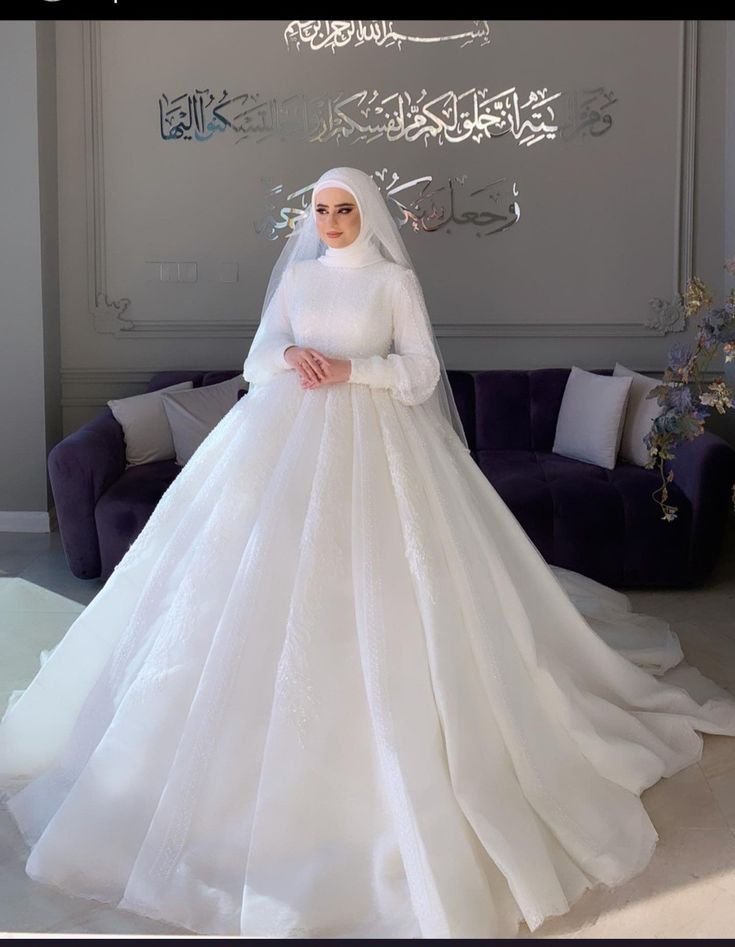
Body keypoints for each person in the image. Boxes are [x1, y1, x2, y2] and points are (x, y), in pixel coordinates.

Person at [1, 165, 735, 940]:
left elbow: (421, 375)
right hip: (280, 442)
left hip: (379, 445)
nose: (330, 222)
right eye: (319, 210)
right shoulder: (299, 277)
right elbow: (256, 360)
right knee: (243, 594)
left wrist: (352, 369)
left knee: (387, 595)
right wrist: (290, 360)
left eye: (343, 209)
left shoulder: (390, 282)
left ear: (366, 212)